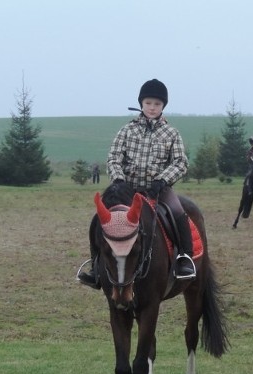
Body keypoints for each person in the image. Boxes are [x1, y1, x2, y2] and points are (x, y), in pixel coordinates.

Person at [78, 78, 195, 287]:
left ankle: (184, 259)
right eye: (149, 103)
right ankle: (96, 266)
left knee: (178, 212)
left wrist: (162, 180)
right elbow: (113, 157)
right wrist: (119, 179)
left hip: (158, 189)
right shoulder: (126, 130)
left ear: (163, 107)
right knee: (99, 218)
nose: (152, 107)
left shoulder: (171, 133)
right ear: (141, 103)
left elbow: (180, 162)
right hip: (126, 190)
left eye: (157, 104)